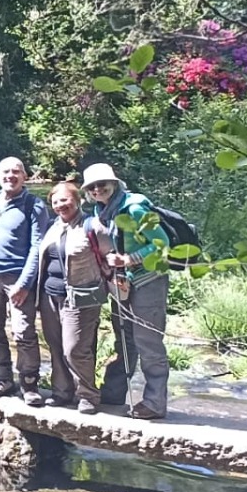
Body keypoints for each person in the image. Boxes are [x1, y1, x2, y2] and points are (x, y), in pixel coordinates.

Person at [83, 162, 172, 419]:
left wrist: (129, 258)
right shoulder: (102, 209)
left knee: (148, 342)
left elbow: (162, 244)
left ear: (115, 183)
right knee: (124, 339)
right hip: (121, 284)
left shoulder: (134, 207)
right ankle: (114, 394)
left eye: (102, 184)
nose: (98, 189)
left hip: (148, 281)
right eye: (92, 187)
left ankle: (155, 404)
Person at [33, 181, 112, 414]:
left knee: (75, 348)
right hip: (50, 295)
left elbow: (110, 257)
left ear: (77, 200)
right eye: (56, 202)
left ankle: (87, 394)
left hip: (81, 298)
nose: (61, 205)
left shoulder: (93, 226)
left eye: (65, 200)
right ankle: (62, 391)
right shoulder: (53, 226)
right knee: (56, 346)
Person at [0, 157, 51, 401]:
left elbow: (37, 246)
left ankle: (29, 383)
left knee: (23, 332)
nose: (10, 176)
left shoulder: (34, 205)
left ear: (25, 176)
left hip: (18, 277)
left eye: (16, 172)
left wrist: (25, 283)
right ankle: (2, 378)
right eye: (6, 171)